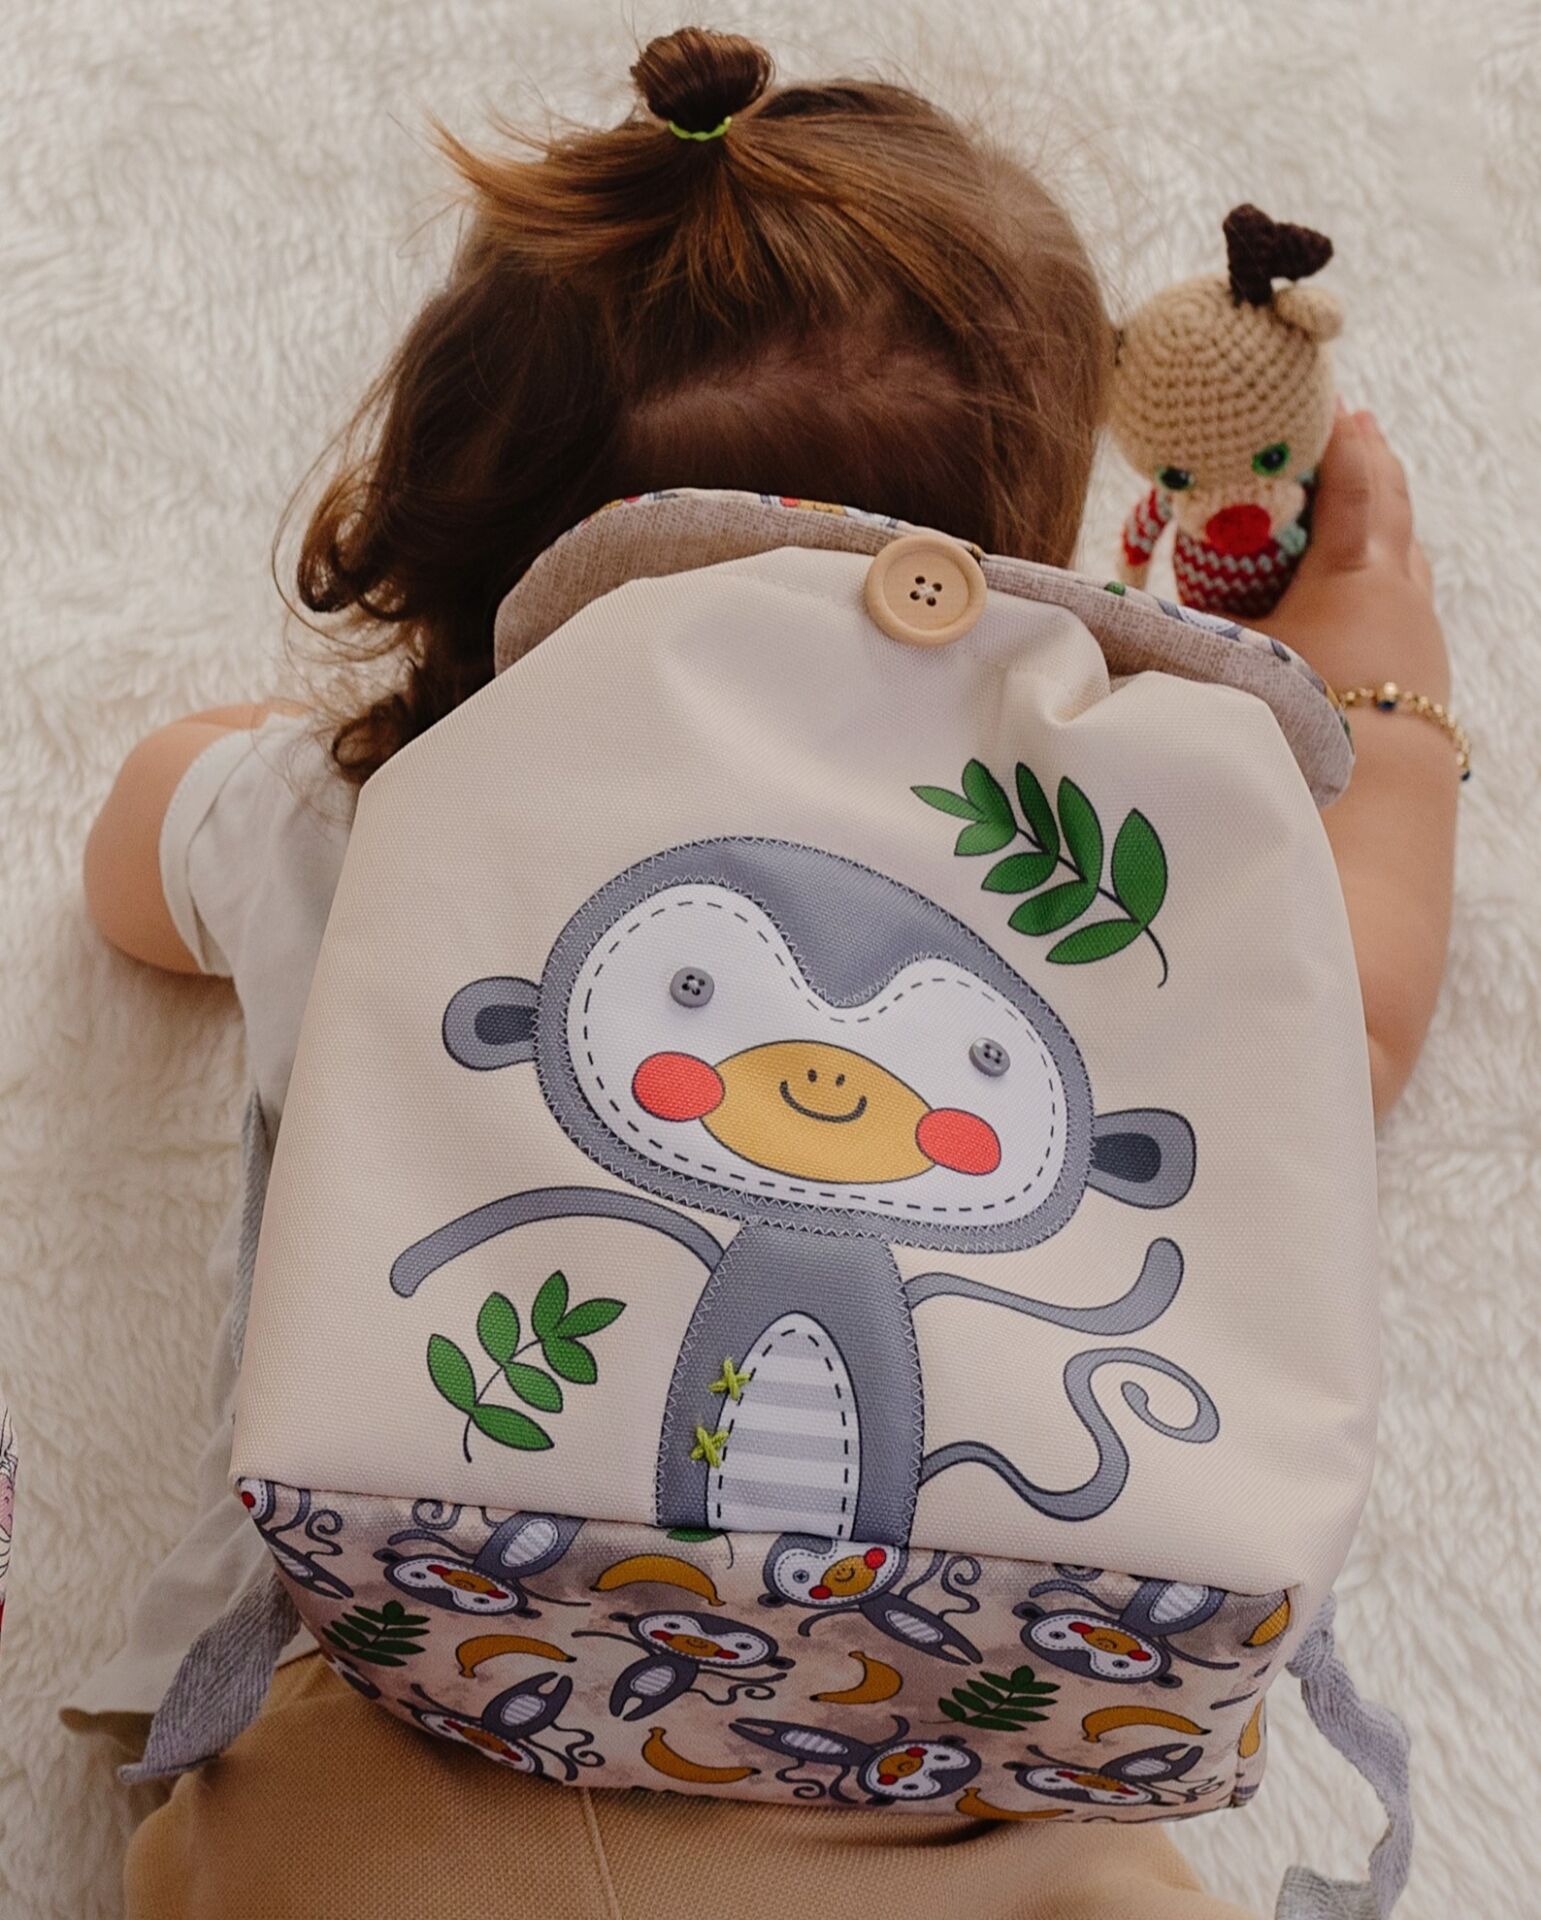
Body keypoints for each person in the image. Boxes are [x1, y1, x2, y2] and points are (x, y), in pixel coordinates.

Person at [73, 27, 1459, 1919]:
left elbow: (128, 865)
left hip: (391, 1714)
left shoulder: (362, 815)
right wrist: (1379, 693)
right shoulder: (1127, 901)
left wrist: (303, 749)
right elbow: (1352, 1016)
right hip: (995, 1744)